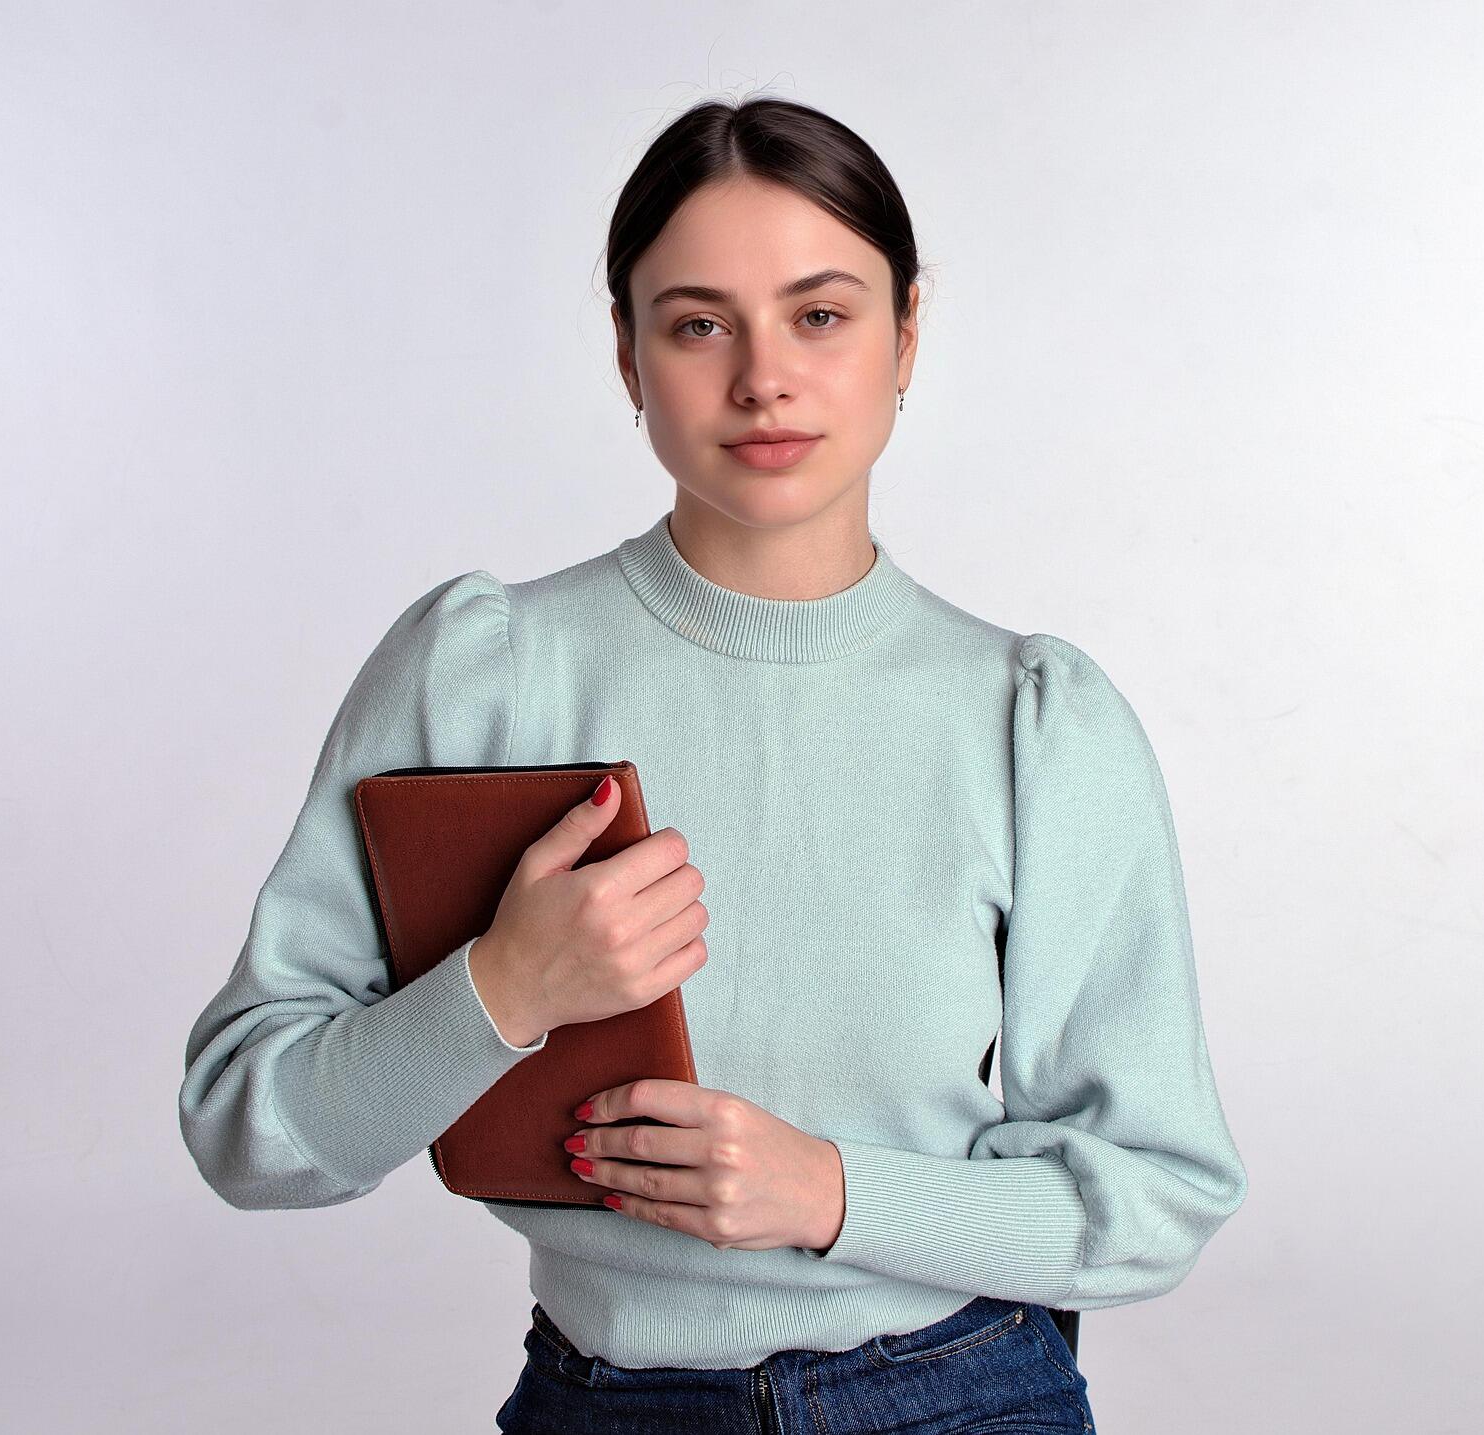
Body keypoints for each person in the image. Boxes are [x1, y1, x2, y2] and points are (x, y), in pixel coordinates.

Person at [179, 95, 1246, 1433]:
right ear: (627, 358)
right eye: (698, 324)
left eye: (821, 314)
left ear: (906, 335)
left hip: (960, 1396)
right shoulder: (484, 672)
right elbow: (247, 1129)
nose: (763, 378)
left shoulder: (1034, 725)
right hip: (599, 1404)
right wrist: (499, 988)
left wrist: (833, 1194)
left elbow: (1154, 1192)